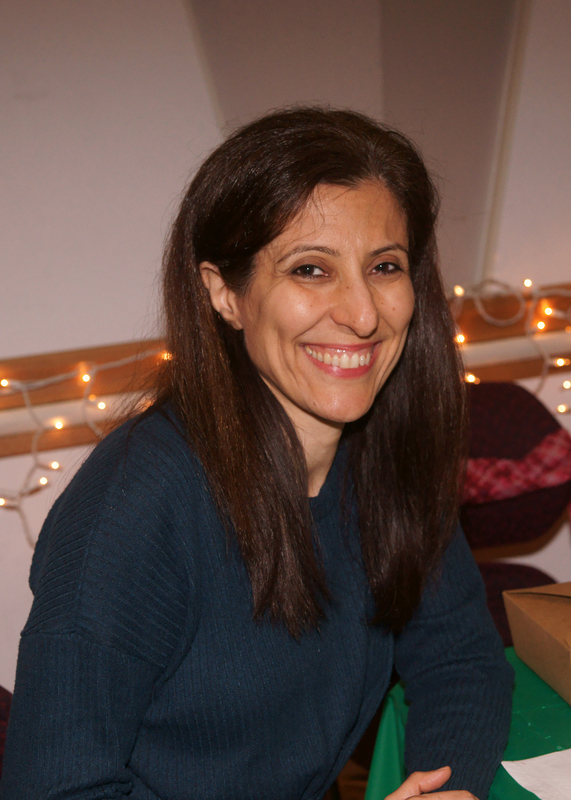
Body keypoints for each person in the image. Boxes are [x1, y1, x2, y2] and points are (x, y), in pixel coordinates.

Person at [1, 107, 512, 800]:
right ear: (225, 294)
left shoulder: (387, 453)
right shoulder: (132, 507)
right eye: (311, 269)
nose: (363, 314)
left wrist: (448, 787)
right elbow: (56, 790)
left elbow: (460, 660)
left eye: (384, 267)